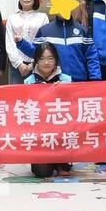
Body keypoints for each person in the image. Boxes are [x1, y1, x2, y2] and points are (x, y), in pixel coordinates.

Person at [24, 42, 73, 178]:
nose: (46, 62)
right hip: (40, 134)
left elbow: (74, 109)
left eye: (50, 58)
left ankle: (61, 162)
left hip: (61, 133)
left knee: (65, 170)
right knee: (42, 172)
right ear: (36, 61)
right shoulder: (28, 82)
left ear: (56, 60)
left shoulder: (66, 80)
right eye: (42, 59)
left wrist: (64, 92)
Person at [16, 9, 101, 82]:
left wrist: (95, 78)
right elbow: (35, 53)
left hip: (79, 81)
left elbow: (92, 56)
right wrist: (21, 42)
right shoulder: (45, 31)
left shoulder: (82, 30)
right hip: (54, 82)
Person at [5, 0, 49, 84]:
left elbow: (44, 43)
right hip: (16, 66)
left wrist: (33, 63)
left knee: (37, 92)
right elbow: (9, 43)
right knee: (16, 93)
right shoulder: (12, 18)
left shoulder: (43, 17)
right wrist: (19, 64)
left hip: (38, 65)